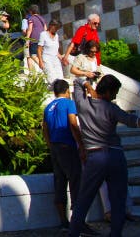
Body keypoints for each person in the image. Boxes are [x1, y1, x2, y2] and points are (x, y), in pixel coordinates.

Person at [68, 75, 140, 237]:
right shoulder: (111, 109)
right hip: (115, 155)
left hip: (94, 156)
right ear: (108, 91)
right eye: (114, 93)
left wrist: (88, 86)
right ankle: (115, 234)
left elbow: (77, 81)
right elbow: (133, 121)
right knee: (118, 199)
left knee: (84, 199)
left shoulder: (82, 104)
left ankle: (73, 233)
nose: (115, 96)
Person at [42, 79, 84, 231]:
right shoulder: (68, 103)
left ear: (54, 92)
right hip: (68, 146)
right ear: (67, 91)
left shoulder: (48, 108)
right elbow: (73, 124)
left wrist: (50, 145)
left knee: (59, 183)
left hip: (55, 148)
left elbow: (44, 129)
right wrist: (82, 145)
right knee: (76, 181)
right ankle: (78, 222)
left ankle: (63, 222)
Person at [37, 20, 67, 85]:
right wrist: (40, 61)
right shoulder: (43, 34)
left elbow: (56, 51)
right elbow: (39, 49)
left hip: (56, 60)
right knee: (52, 79)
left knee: (60, 78)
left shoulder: (56, 36)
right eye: (56, 28)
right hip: (47, 59)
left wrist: (62, 59)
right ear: (51, 26)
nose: (56, 30)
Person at [25, 5, 47, 71]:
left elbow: (30, 29)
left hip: (34, 39)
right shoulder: (42, 19)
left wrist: (27, 40)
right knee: (41, 54)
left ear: (31, 11)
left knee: (33, 55)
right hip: (42, 39)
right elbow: (45, 29)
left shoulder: (31, 18)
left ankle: (44, 68)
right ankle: (44, 67)